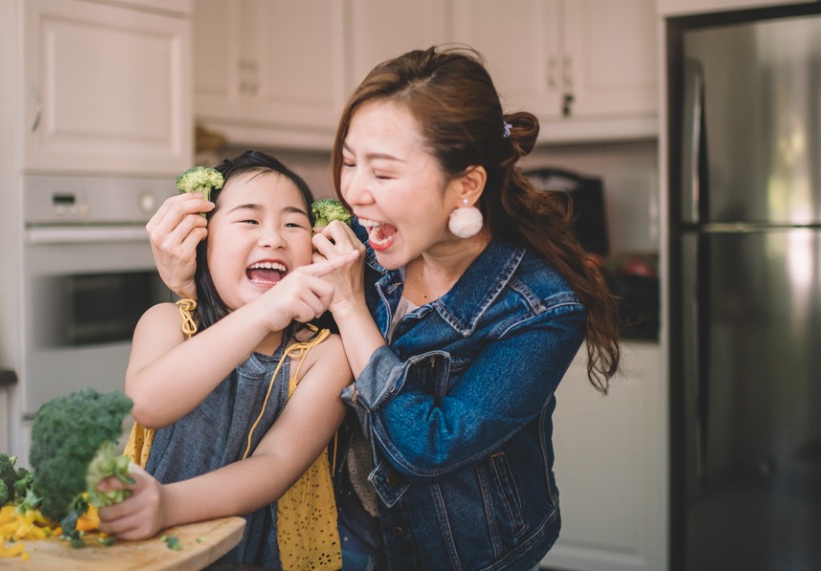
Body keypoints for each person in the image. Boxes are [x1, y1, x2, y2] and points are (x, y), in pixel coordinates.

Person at [146, 46, 621, 570]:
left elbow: (429, 448)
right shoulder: (358, 242)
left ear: (466, 186)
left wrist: (351, 308)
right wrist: (188, 283)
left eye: (384, 173)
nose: (355, 193)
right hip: (348, 537)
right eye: (349, 163)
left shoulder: (540, 309)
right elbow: (263, 332)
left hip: (464, 555)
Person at [95, 150, 359, 570]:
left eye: (293, 224)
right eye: (249, 220)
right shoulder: (167, 323)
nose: (273, 238)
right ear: (203, 241)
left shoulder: (325, 355)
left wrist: (168, 504)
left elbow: (275, 465)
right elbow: (147, 402)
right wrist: (262, 314)